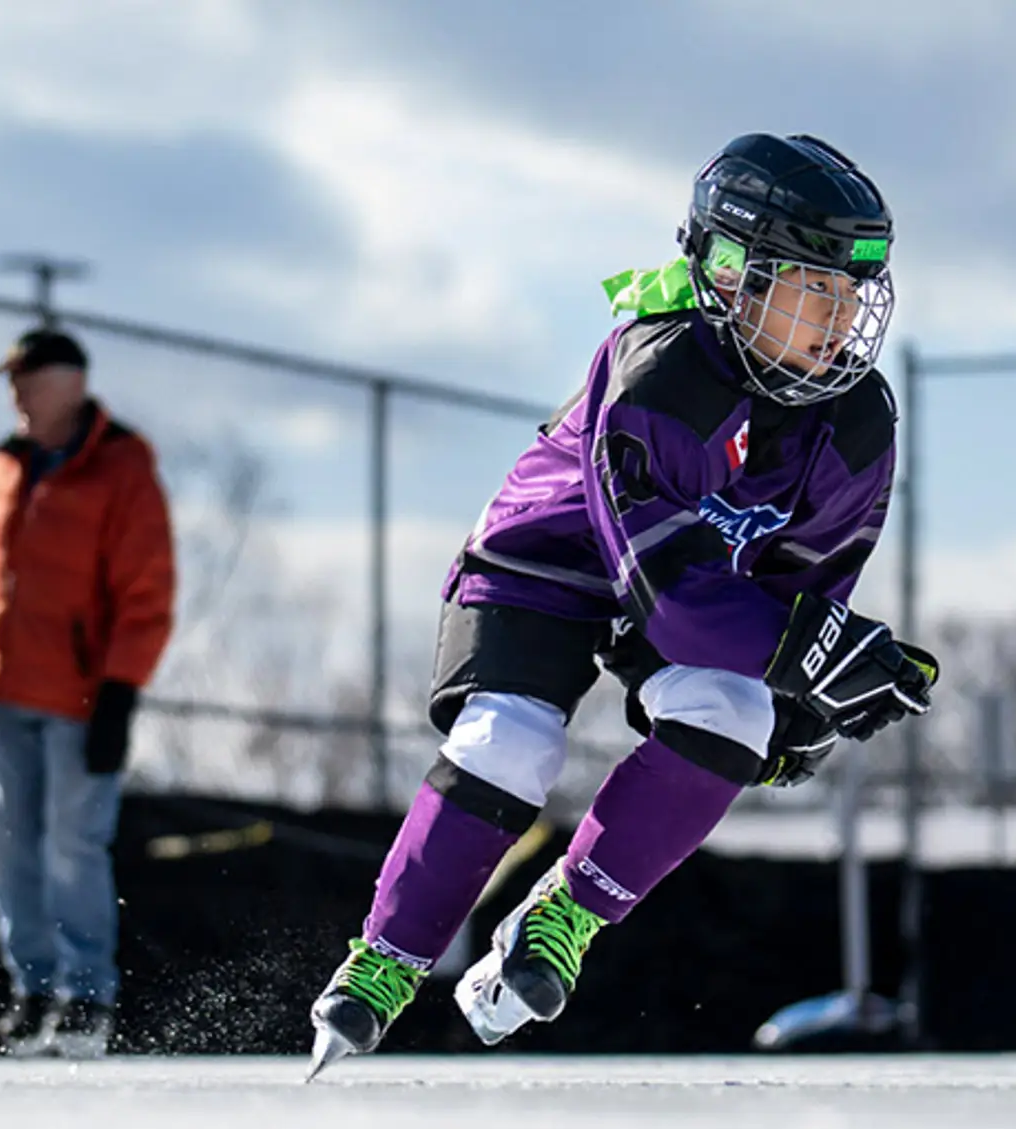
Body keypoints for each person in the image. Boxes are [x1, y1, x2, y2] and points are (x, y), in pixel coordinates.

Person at [304, 132, 938, 1078]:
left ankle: (563, 915)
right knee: (511, 740)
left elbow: (804, 591)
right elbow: (672, 597)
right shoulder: (663, 368)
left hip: (684, 584)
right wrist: (809, 653)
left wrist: (811, 694)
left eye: (854, 295)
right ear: (735, 276)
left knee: (737, 714)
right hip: (548, 562)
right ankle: (386, 958)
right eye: (819, 288)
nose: (843, 318)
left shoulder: (856, 421)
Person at [0, 327, 176, 1059]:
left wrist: (120, 690)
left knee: (74, 844)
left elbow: (147, 586)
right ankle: (35, 988)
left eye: (27, 378)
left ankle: (86, 995)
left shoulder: (121, 463)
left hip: (80, 696)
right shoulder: (3, 467)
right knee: (5, 846)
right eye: (10, 381)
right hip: (5, 689)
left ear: (70, 381)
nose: (15, 393)